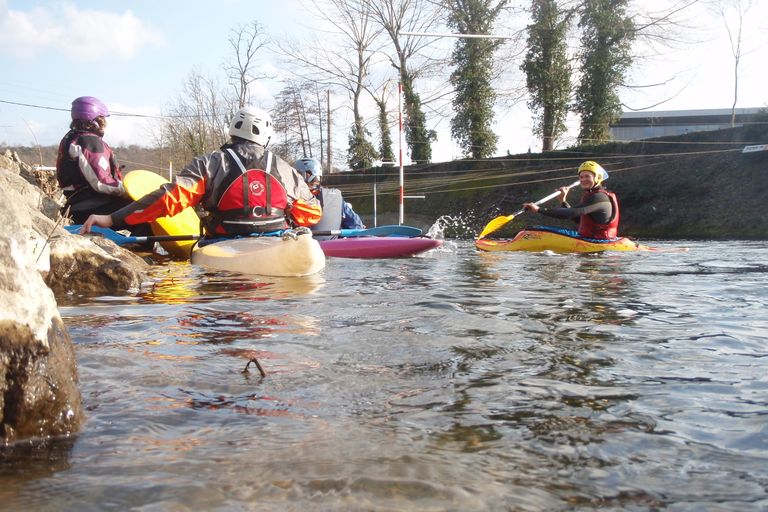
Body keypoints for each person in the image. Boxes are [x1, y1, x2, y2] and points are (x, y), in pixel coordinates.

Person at [82, 106, 322, 238]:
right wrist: (289, 212)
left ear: (232, 132)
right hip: (276, 242)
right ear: (265, 138)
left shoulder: (210, 163)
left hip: (224, 245)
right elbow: (312, 213)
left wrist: (113, 219)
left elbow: (168, 200)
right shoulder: (284, 168)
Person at [56, 96, 135, 225]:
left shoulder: (71, 137)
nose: (104, 123)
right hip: (90, 207)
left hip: (78, 205)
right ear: (96, 119)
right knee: (143, 211)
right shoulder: (89, 142)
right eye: (102, 118)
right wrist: (126, 190)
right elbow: (101, 183)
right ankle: (139, 245)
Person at [523, 160, 620, 240]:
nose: (583, 179)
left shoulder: (599, 197)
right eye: (581, 177)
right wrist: (563, 201)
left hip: (598, 243)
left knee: (533, 232)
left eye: (587, 176)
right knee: (533, 230)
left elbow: (571, 213)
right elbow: (579, 219)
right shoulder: (592, 195)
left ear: (598, 177)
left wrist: (539, 209)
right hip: (589, 239)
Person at [293, 157, 365, 232]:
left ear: (305, 176)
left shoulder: (293, 198)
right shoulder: (336, 197)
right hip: (332, 243)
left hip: (302, 242)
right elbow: (356, 225)